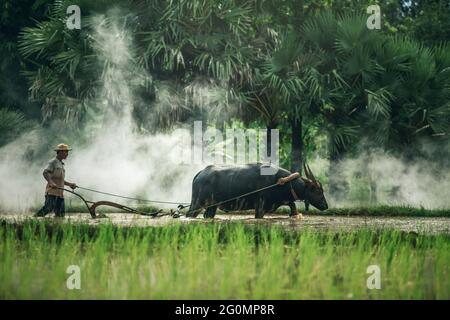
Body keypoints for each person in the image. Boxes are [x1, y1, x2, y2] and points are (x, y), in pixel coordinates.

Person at [35, 143, 77, 218]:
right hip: (52, 192)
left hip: (60, 194)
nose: (67, 154)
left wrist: (70, 184)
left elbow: (60, 180)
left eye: (67, 152)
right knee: (48, 209)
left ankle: (57, 227)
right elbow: (45, 172)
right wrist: (51, 182)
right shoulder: (53, 162)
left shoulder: (61, 164)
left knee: (61, 215)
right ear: (60, 152)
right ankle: (34, 220)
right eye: (66, 152)